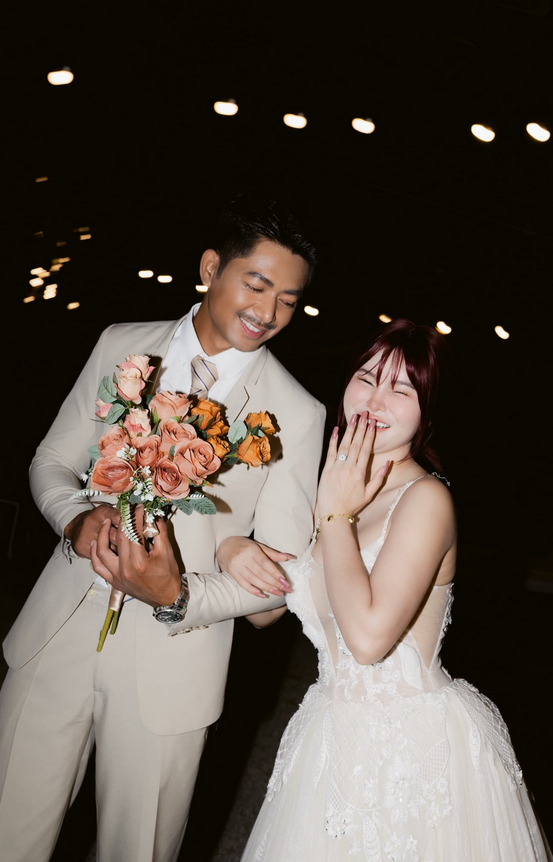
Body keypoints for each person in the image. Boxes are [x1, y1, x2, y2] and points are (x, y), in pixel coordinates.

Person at [0, 195, 325, 862]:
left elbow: (275, 589)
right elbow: (52, 461)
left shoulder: (297, 413)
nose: (268, 312)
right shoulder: (121, 345)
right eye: (256, 284)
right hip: (57, 626)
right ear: (210, 268)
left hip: (174, 663)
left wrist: (177, 596)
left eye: (288, 301)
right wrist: (75, 517)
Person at [223, 318, 550, 861]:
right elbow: (266, 613)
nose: (375, 400)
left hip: (412, 750)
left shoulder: (425, 500)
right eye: (367, 377)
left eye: (401, 389)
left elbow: (369, 641)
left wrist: (335, 515)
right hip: (330, 731)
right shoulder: (329, 480)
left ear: (427, 411)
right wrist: (231, 548)